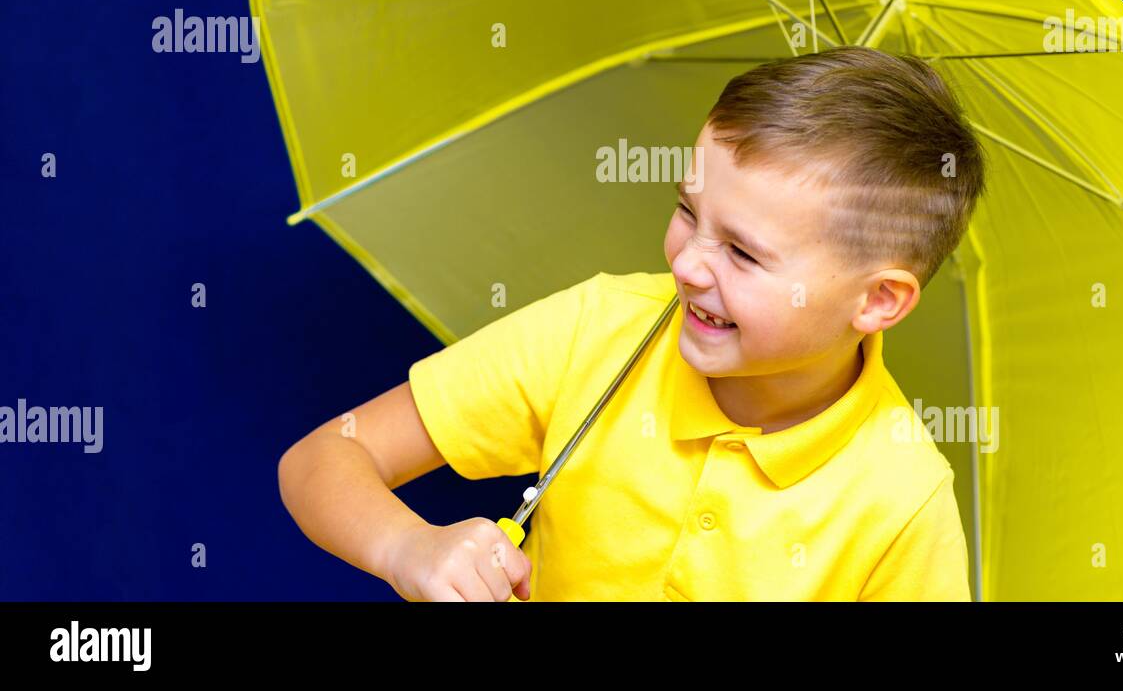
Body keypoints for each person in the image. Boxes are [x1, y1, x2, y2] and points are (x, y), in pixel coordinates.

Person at [278, 45, 988, 601]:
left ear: (878, 301)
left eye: (742, 251)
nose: (689, 265)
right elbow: (320, 460)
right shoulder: (598, 330)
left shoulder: (902, 497)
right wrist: (409, 547)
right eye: (687, 211)